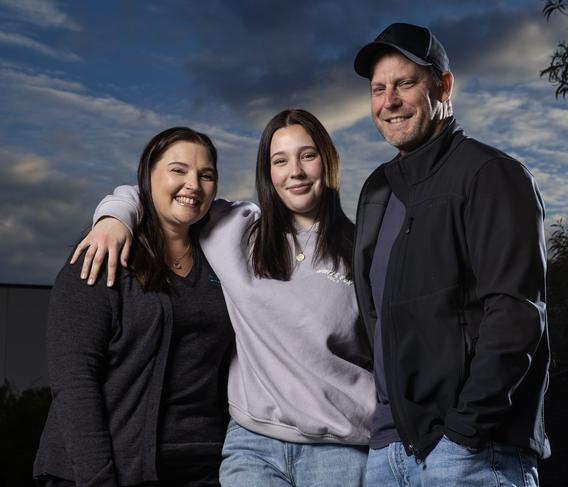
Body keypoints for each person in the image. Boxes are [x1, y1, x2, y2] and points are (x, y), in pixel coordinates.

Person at [71, 109, 375, 486]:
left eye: (307, 155)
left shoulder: (365, 251)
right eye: (280, 160)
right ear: (268, 173)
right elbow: (165, 194)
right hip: (252, 447)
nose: (294, 171)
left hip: (340, 448)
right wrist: (114, 218)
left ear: (328, 162)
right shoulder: (238, 229)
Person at [352, 22, 550, 486]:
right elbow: (377, 320)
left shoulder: (491, 174)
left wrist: (462, 435)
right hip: (388, 453)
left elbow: (517, 316)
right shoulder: (377, 190)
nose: (389, 101)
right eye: (378, 89)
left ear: (443, 86)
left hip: (470, 454)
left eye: (404, 83)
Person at [33, 127, 234, 486]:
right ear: (147, 177)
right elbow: (74, 380)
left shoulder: (221, 258)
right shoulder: (103, 252)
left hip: (204, 467)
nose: (193, 184)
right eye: (178, 170)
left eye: (207, 175)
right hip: (107, 470)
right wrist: (98, 478)